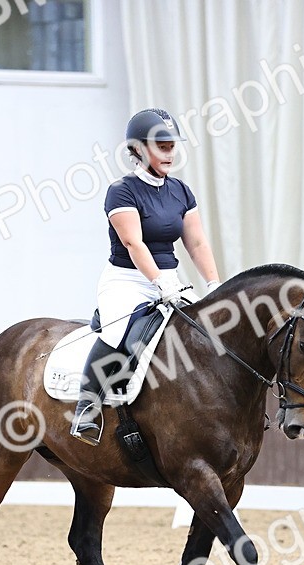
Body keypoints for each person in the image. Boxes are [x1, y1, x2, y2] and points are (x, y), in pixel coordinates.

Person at [69, 108, 222, 446]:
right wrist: (158, 281)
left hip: (171, 278)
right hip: (128, 279)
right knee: (119, 333)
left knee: (208, 333)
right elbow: (133, 243)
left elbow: (196, 241)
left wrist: (213, 284)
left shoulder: (181, 191)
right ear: (138, 149)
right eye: (161, 146)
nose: (170, 153)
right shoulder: (122, 191)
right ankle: (87, 406)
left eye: (172, 146)